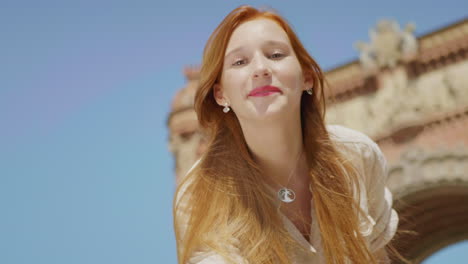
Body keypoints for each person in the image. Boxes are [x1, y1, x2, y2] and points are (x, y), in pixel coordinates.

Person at [173, 5, 399, 264]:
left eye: (276, 55)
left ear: (307, 78)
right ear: (221, 94)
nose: (260, 68)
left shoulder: (358, 156)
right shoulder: (201, 195)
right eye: (240, 62)